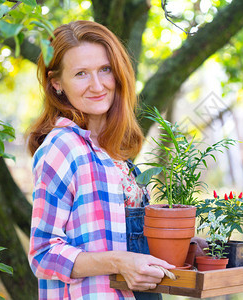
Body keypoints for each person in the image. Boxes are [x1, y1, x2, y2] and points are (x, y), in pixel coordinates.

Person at [27, 20, 175, 299]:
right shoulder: (62, 148)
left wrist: (186, 243)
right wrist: (118, 262)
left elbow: (128, 238)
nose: (97, 85)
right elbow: (43, 254)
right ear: (56, 82)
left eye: (105, 70)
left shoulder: (115, 153)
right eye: (81, 74)